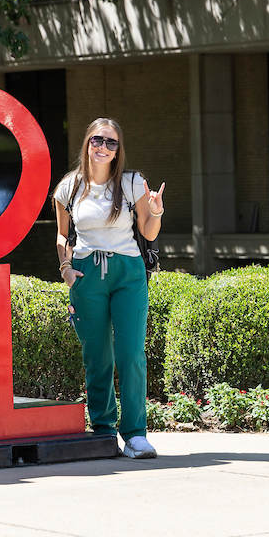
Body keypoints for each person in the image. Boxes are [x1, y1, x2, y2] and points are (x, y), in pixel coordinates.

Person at [53, 118, 165, 459]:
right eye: (98, 140)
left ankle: (135, 434)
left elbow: (147, 232)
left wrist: (156, 212)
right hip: (87, 274)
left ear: (119, 150)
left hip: (128, 272)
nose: (104, 147)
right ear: (87, 143)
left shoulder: (133, 184)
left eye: (111, 143)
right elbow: (62, 235)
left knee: (131, 354)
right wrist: (67, 270)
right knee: (97, 356)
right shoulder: (68, 188)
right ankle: (103, 431)